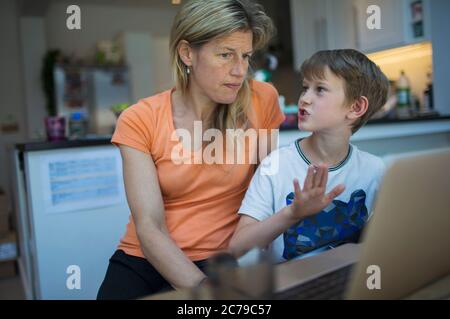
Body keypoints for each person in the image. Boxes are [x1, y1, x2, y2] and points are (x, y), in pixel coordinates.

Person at [97, 0, 285, 300]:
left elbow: (267, 188)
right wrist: (206, 293)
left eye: (246, 56)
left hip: (221, 260)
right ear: (187, 53)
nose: (240, 70)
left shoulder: (263, 99)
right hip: (146, 259)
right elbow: (149, 227)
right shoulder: (140, 119)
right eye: (225, 55)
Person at [228, 49, 389, 263]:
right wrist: (292, 213)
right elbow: (237, 247)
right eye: (305, 88)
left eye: (320, 89)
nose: (304, 99)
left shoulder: (375, 171)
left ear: (356, 107)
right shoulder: (275, 166)